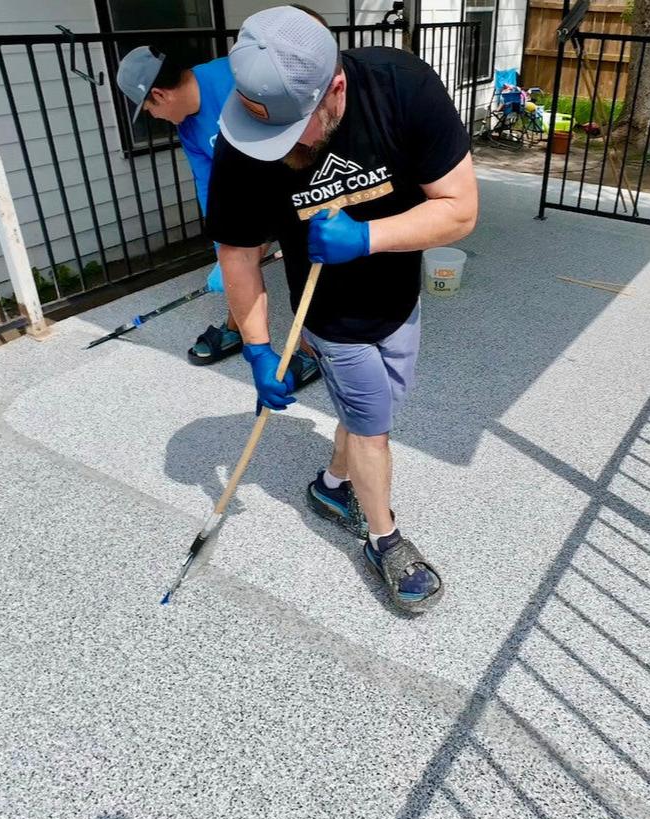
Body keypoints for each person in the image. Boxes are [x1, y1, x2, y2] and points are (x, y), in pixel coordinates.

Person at [205, 6, 478, 613]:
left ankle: (332, 486)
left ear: (335, 88)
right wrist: (255, 348)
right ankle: (385, 541)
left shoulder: (403, 89)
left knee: (381, 407)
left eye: (293, 128)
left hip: (398, 299)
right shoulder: (245, 140)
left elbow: (459, 209)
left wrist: (366, 238)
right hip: (325, 315)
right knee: (374, 426)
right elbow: (240, 254)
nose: (278, 149)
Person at [115, 44, 320, 386]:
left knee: (304, 264)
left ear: (160, 95)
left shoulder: (238, 78)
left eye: (147, 108)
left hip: (298, 179)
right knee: (237, 262)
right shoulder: (188, 127)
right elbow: (210, 189)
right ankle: (238, 328)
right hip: (253, 196)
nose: (151, 116)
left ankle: (312, 351)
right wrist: (224, 255)